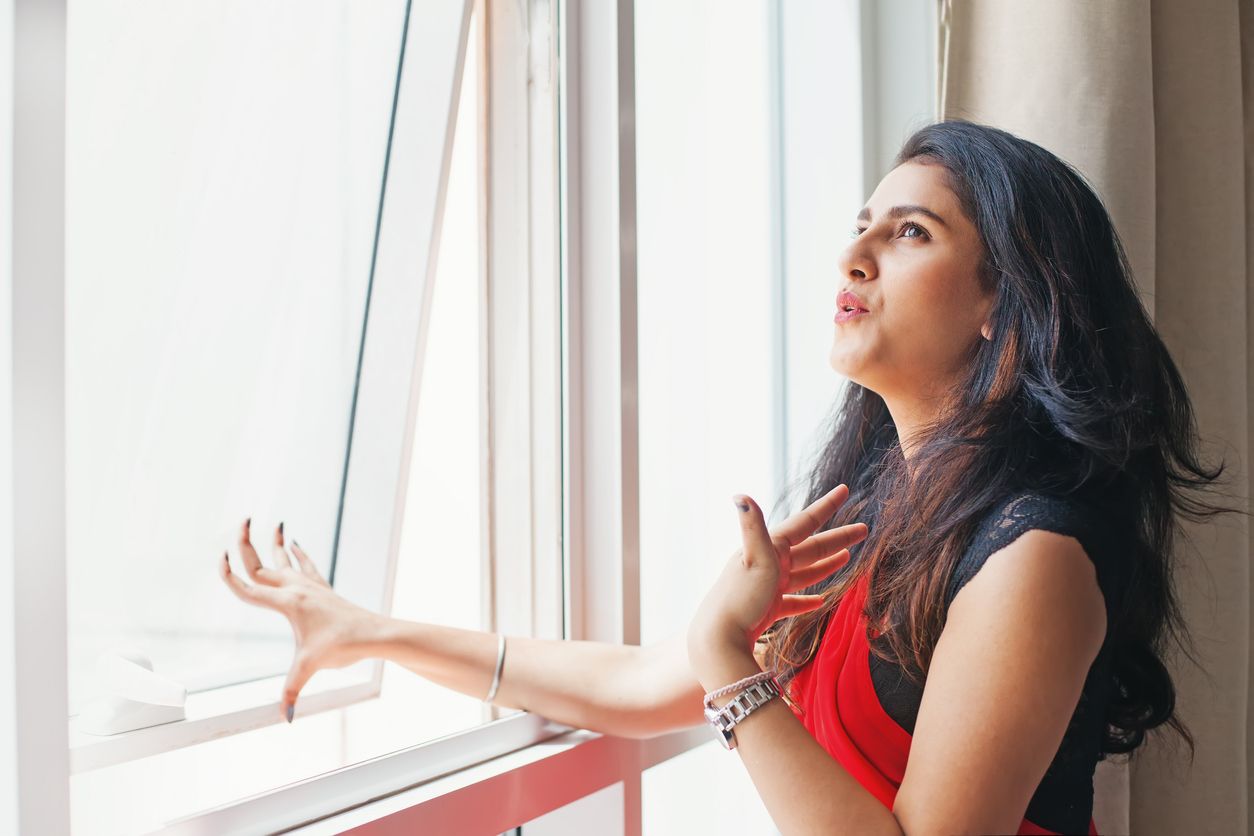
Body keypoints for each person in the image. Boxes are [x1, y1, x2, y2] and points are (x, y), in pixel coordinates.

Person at [219, 120, 1234, 835]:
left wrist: (726, 653)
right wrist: (371, 628)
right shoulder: (880, 507)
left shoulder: (1034, 557)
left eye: (910, 231)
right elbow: (635, 684)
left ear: (1001, 309)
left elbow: (715, 679)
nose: (857, 251)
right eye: (863, 222)